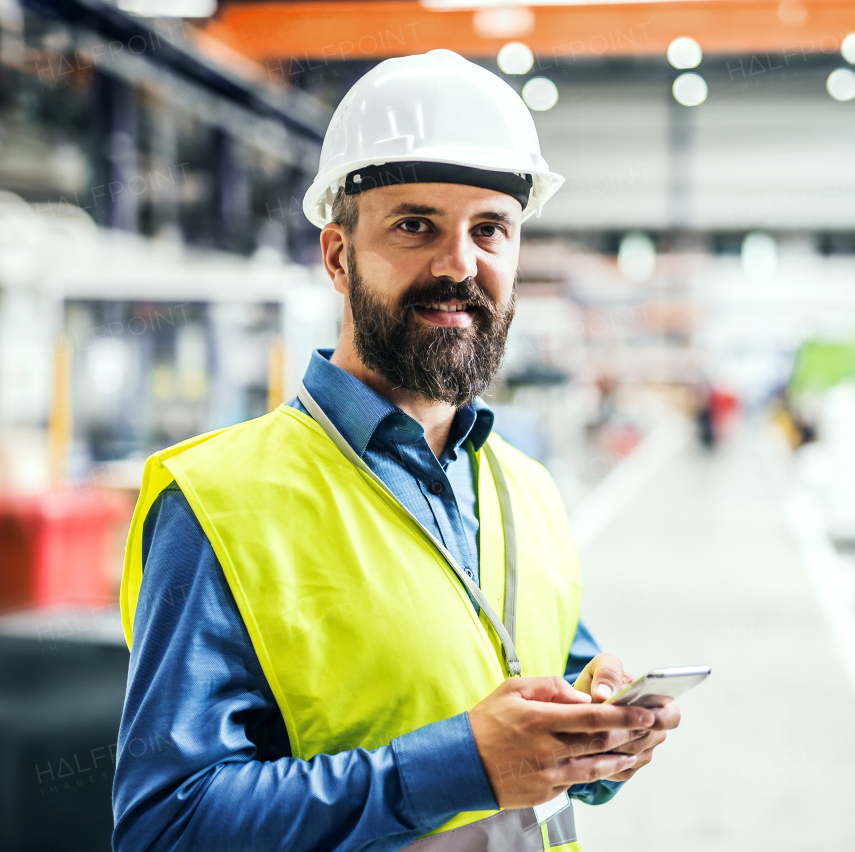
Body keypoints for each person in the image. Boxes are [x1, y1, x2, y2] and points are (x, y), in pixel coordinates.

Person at [112, 49, 680, 852]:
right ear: (339, 257)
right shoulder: (218, 504)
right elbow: (165, 828)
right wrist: (459, 766)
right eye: (416, 226)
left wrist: (601, 735)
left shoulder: (524, 486)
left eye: (491, 229)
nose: (459, 264)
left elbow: (545, 692)